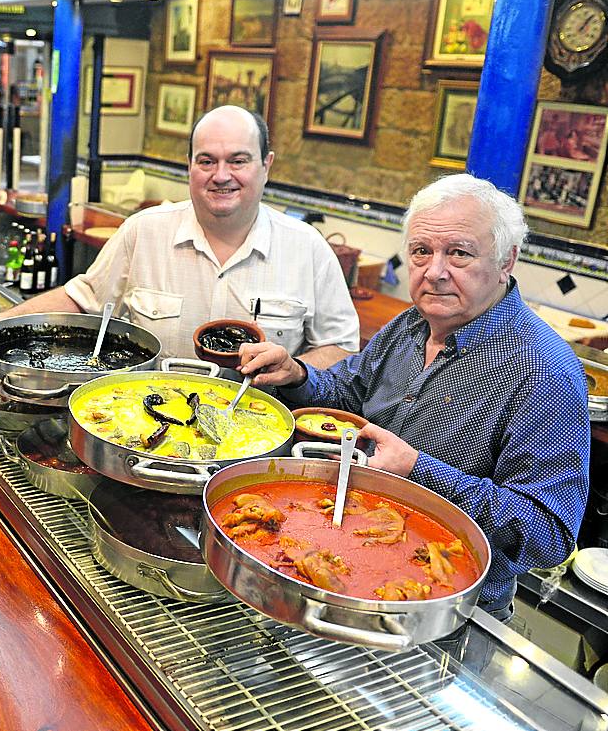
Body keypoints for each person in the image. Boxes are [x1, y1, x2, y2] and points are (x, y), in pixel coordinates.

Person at [241, 173, 590, 622]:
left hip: (445, 609)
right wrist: (296, 374)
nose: (435, 271)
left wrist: (419, 470)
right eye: (422, 251)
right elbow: (348, 391)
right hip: (346, 558)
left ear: (507, 261)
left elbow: (548, 535)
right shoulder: (411, 324)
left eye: (459, 253)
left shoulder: (544, 371)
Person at [0, 106, 359, 364]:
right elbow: (82, 299)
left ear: (266, 165)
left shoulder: (307, 248)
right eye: (207, 161)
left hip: (260, 442)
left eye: (238, 161)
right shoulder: (145, 231)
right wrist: (1, 320)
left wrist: (295, 368)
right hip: (143, 428)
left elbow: (342, 347)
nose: (221, 175)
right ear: (189, 165)